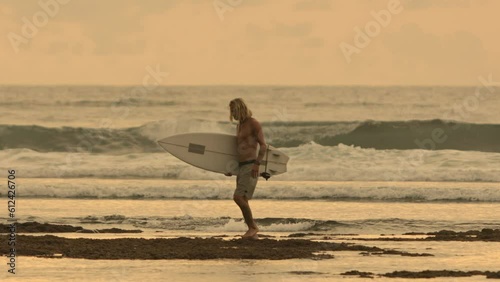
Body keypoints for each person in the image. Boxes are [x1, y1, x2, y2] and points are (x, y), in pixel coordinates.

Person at [225, 98, 267, 239]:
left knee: (238, 197)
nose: (232, 114)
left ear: (240, 109)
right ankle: (253, 234)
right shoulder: (239, 126)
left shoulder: (253, 123)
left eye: (234, 110)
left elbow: (263, 146)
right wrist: (231, 168)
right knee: (243, 198)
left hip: (250, 165)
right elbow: (238, 149)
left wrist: (257, 164)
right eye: (231, 111)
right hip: (241, 167)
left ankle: (253, 227)